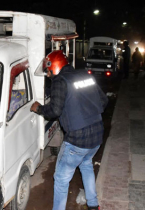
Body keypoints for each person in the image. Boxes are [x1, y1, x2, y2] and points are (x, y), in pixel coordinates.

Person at [30, 50, 108, 210]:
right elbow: (103, 100)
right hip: (97, 135)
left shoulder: (60, 81)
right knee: (86, 164)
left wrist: (39, 108)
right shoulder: (85, 75)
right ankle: (93, 205)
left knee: (61, 179)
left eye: (49, 71)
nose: (49, 75)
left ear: (55, 66)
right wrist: (85, 110)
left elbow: (54, 111)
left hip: (77, 140)